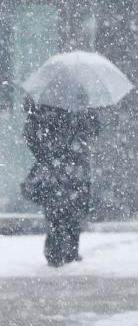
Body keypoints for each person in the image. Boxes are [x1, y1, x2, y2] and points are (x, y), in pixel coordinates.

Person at [22, 94, 100, 267]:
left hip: (61, 167)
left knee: (60, 210)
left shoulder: (47, 103)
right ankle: (64, 251)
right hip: (68, 167)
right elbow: (95, 129)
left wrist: (43, 154)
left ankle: (58, 251)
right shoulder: (76, 102)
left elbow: (30, 134)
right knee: (65, 209)